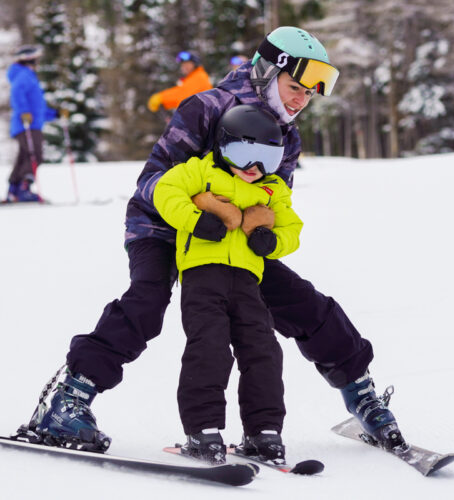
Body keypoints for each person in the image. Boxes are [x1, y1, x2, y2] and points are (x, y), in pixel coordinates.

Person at [24, 26, 404, 454]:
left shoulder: (287, 137)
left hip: (229, 243)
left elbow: (273, 202)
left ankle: (361, 396)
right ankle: (69, 398)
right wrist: (199, 210)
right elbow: (152, 181)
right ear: (266, 73)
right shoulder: (205, 108)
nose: (301, 101)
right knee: (146, 303)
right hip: (162, 229)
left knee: (303, 303)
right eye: (295, 87)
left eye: (308, 94)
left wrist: (264, 230)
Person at [153, 104, 302, 464]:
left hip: (249, 283)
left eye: (266, 157)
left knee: (263, 350)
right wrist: (196, 220)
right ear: (222, 146)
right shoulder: (200, 172)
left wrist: (272, 242)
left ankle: (264, 432)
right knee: (210, 347)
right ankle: (203, 431)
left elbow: (291, 229)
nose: (254, 168)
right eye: (243, 154)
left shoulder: (272, 190)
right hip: (203, 277)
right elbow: (165, 191)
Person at [5, 45, 58, 203]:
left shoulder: (28, 76)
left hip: (29, 123)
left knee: (24, 157)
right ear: (28, 59)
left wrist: (54, 114)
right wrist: (24, 113)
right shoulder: (24, 75)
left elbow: (37, 106)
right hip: (27, 124)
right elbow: (17, 94)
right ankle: (23, 189)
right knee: (35, 155)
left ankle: (13, 191)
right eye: (36, 58)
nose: (37, 61)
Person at [147, 51, 212, 114]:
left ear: (195, 64)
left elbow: (182, 94)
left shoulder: (199, 77)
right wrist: (163, 103)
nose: (184, 67)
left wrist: (161, 98)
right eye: (182, 64)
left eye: (187, 64)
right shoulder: (191, 78)